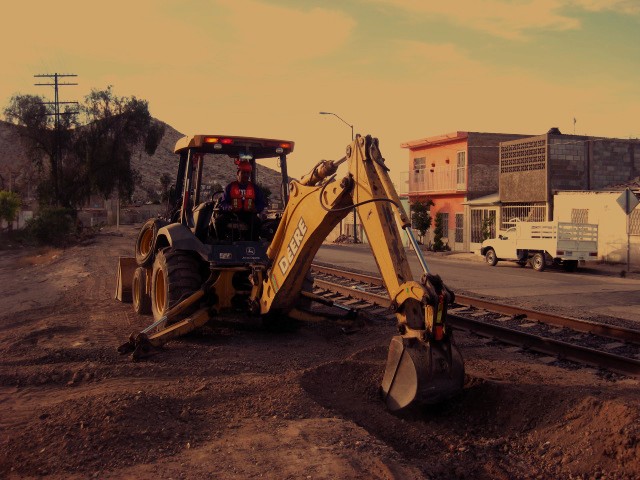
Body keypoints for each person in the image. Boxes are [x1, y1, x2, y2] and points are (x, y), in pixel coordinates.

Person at [214, 160, 265, 240]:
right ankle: (222, 241)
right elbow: (223, 203)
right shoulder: (230, 187)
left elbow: (261, 203)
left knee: (257, 222)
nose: (246, 175)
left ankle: (251, 242)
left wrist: (256, 209)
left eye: (247, 173)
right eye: (243, 173)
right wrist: (229, 207)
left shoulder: (255, 188)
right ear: (238, 173)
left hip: (248, 214)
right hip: (231, 213)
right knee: (219, 221)